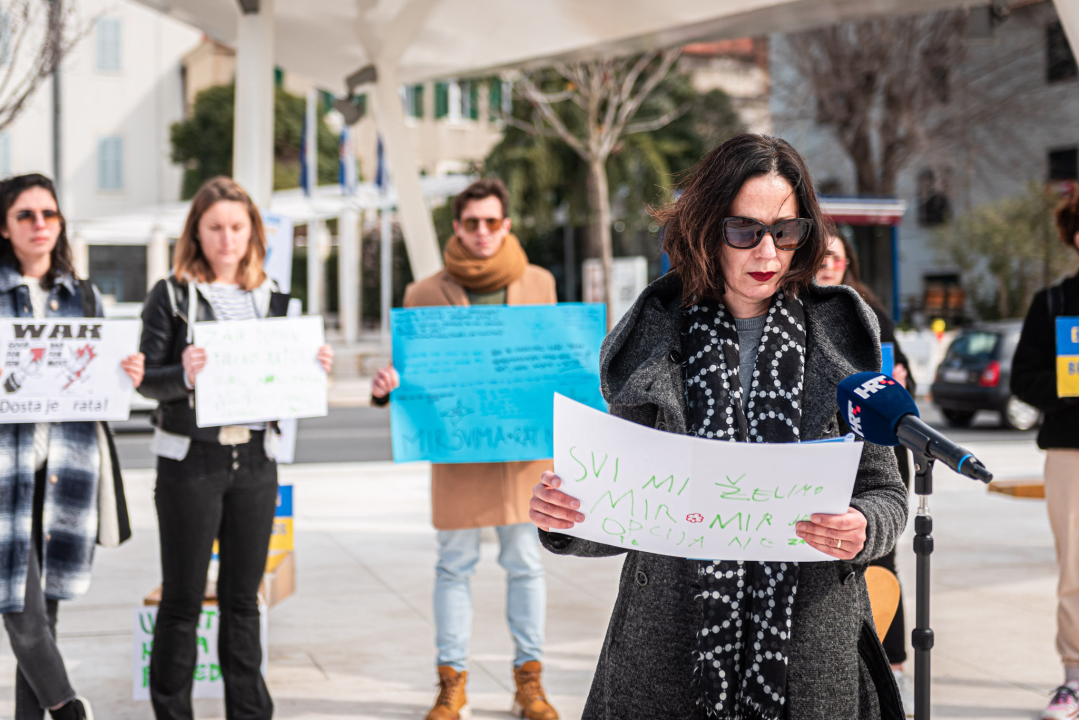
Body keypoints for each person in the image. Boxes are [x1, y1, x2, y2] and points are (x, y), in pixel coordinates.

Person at [529, 134, 908, 720]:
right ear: (707, 231)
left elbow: (885, 491)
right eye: (744, 230)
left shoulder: (841, 342)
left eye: (785, 232)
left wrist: (864, 526)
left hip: (811, 647)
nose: (767, 252)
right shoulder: (654, 343)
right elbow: (626, 510)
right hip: (667, 646)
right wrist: (566, 517)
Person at [137, 177, 333, 720]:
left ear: (253, 233)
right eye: (215, 227)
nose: (227, 239)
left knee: (243, 601)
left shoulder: (276, 299)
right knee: (181, 601)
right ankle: (172, 713)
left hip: (254, 461)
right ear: (196, 233)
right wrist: (186, 375)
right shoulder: (171, 295)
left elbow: (284, 379)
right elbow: (147, 380)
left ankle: (249, 712)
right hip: (190, 463)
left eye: (237, 227)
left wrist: (313, 370)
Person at [370, 178, 560, 720]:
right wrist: (387, 387)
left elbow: (552, 363)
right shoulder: (424, 293)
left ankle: (530, 683)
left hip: (522, 453)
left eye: (491, 222)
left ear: (506, 224)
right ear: (457, 226)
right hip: (458, 450)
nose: (482, 232)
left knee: (525, 562)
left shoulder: (539, 282)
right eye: (472, 222)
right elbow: (414, 378)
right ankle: (450, 682)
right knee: (454, 564)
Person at [0, 173, 142, 720]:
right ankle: (69, 712)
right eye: (26, 215)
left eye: (49, 215)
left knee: (44, 622)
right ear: (4, 226)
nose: (40, 225)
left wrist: (125, 373)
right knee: (21, 614)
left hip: (64, 471)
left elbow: (100, 383)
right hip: (6, 474)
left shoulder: (83, 295)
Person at [816, 232, 916, 714]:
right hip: (831, 462)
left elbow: (907, 386)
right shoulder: (807, 319)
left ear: (847, 262)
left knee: (883, 564)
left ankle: (892, 664)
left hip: (880, 454)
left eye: (836, 256)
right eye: (821, 255)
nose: (828, 263)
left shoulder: (873, 320)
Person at [1012, 189, 1079, 720]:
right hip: (1070, 451)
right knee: (1075, 570)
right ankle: (1074, 679)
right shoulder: (1053, 304)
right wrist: (1069, 385)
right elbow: (1023, 381)